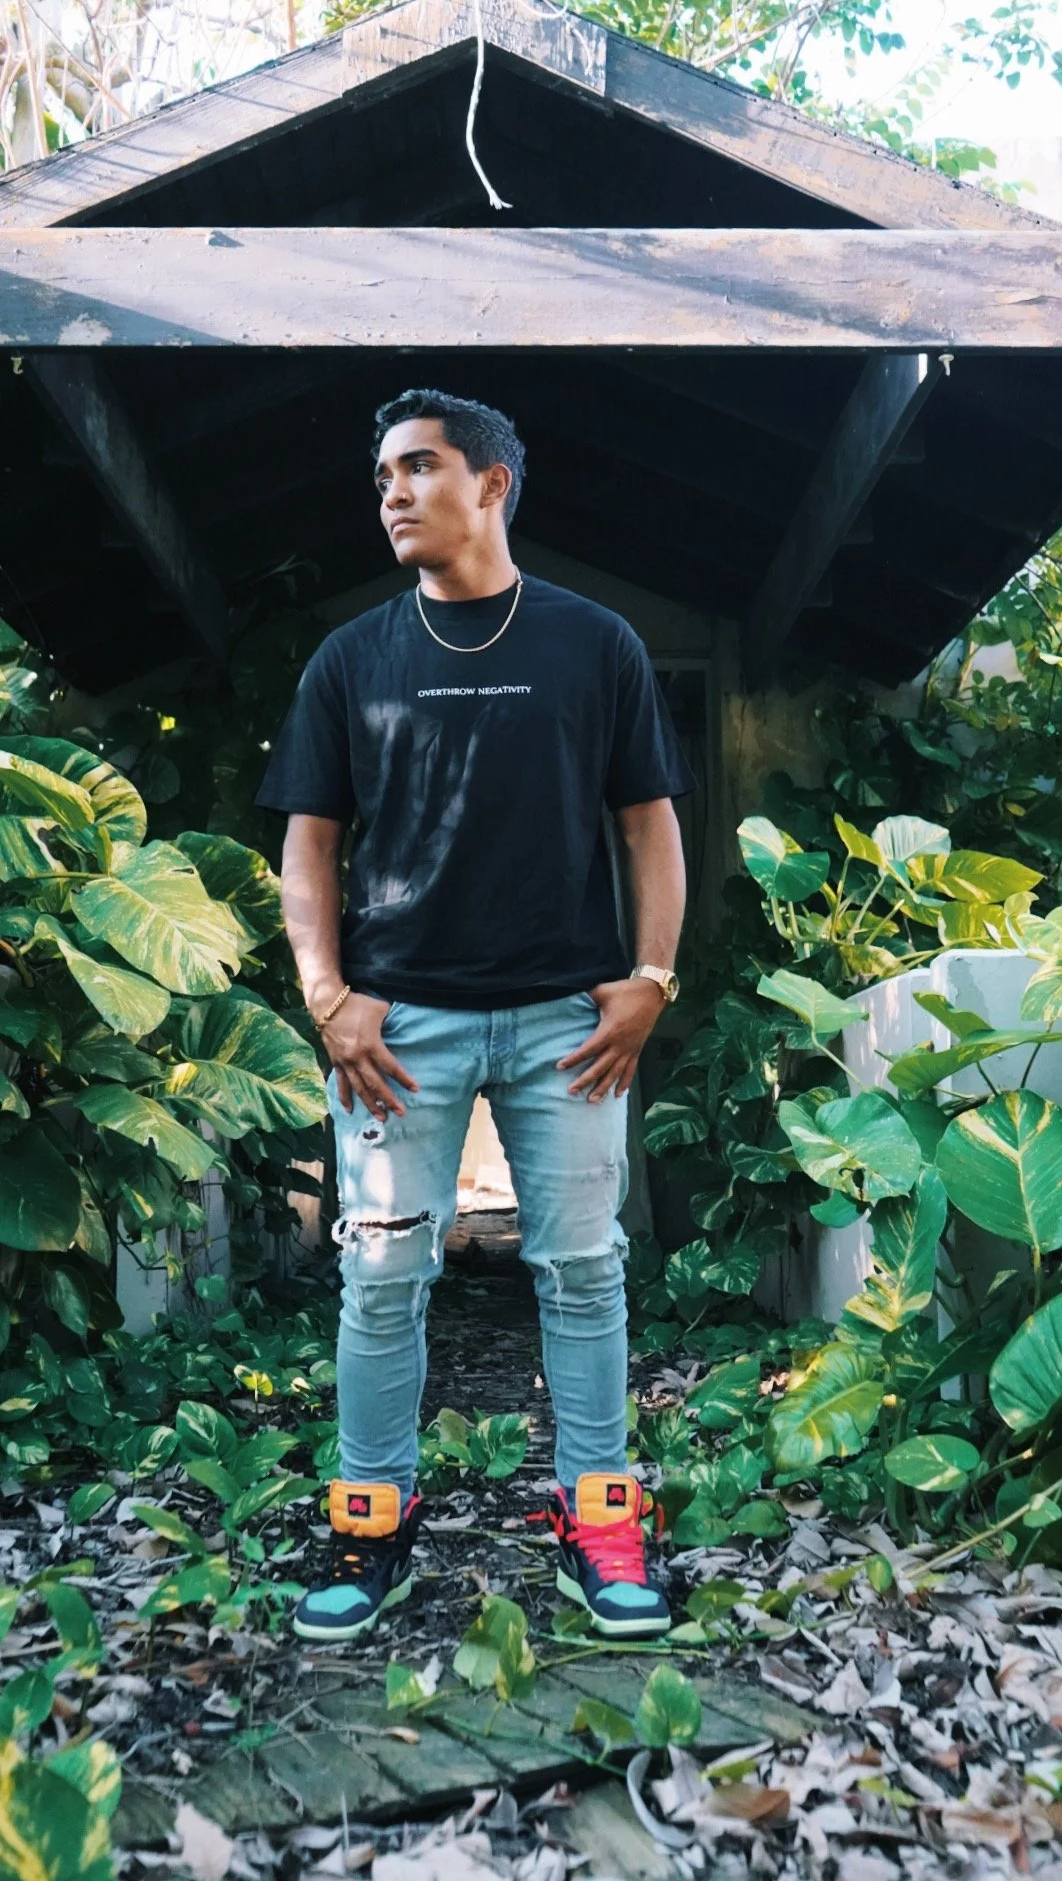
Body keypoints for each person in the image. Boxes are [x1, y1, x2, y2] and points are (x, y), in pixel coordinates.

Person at [255, 387, 696, 1645]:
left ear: (492, 483)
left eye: (418, 467)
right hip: (400, 1033)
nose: (391, 493)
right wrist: (327, 997)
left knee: (585, 1273)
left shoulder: (593, 642)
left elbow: (648, 825)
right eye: (381, 477)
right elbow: (309, 844)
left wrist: (650, 978)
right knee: (381, 1276)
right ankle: (368, 1524)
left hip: (568, 1022)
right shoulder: (352, 659)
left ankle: (600, 1521)